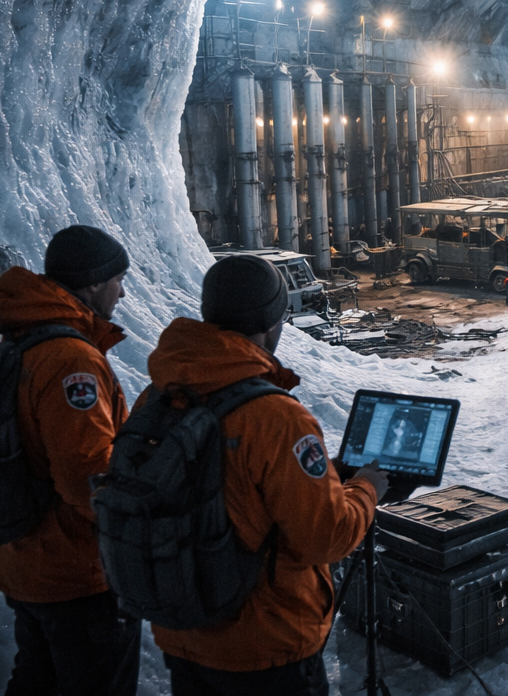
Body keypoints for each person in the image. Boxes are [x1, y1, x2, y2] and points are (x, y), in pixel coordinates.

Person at [147, 255, 387, 696]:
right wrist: (366, 488)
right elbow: (326, 536)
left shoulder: (162, 394)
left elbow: (231, 488)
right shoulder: (275, 417)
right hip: (265, 646)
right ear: (273, 321)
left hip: (185, 632)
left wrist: (324, 478)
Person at [0, 225, 140, 696]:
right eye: (118, 279)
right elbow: (86, 477)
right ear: (93, 283)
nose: (123, 290)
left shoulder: (16, 336)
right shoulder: (70, 359)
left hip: (23, 560)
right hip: (76, 573)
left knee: (37, 678)